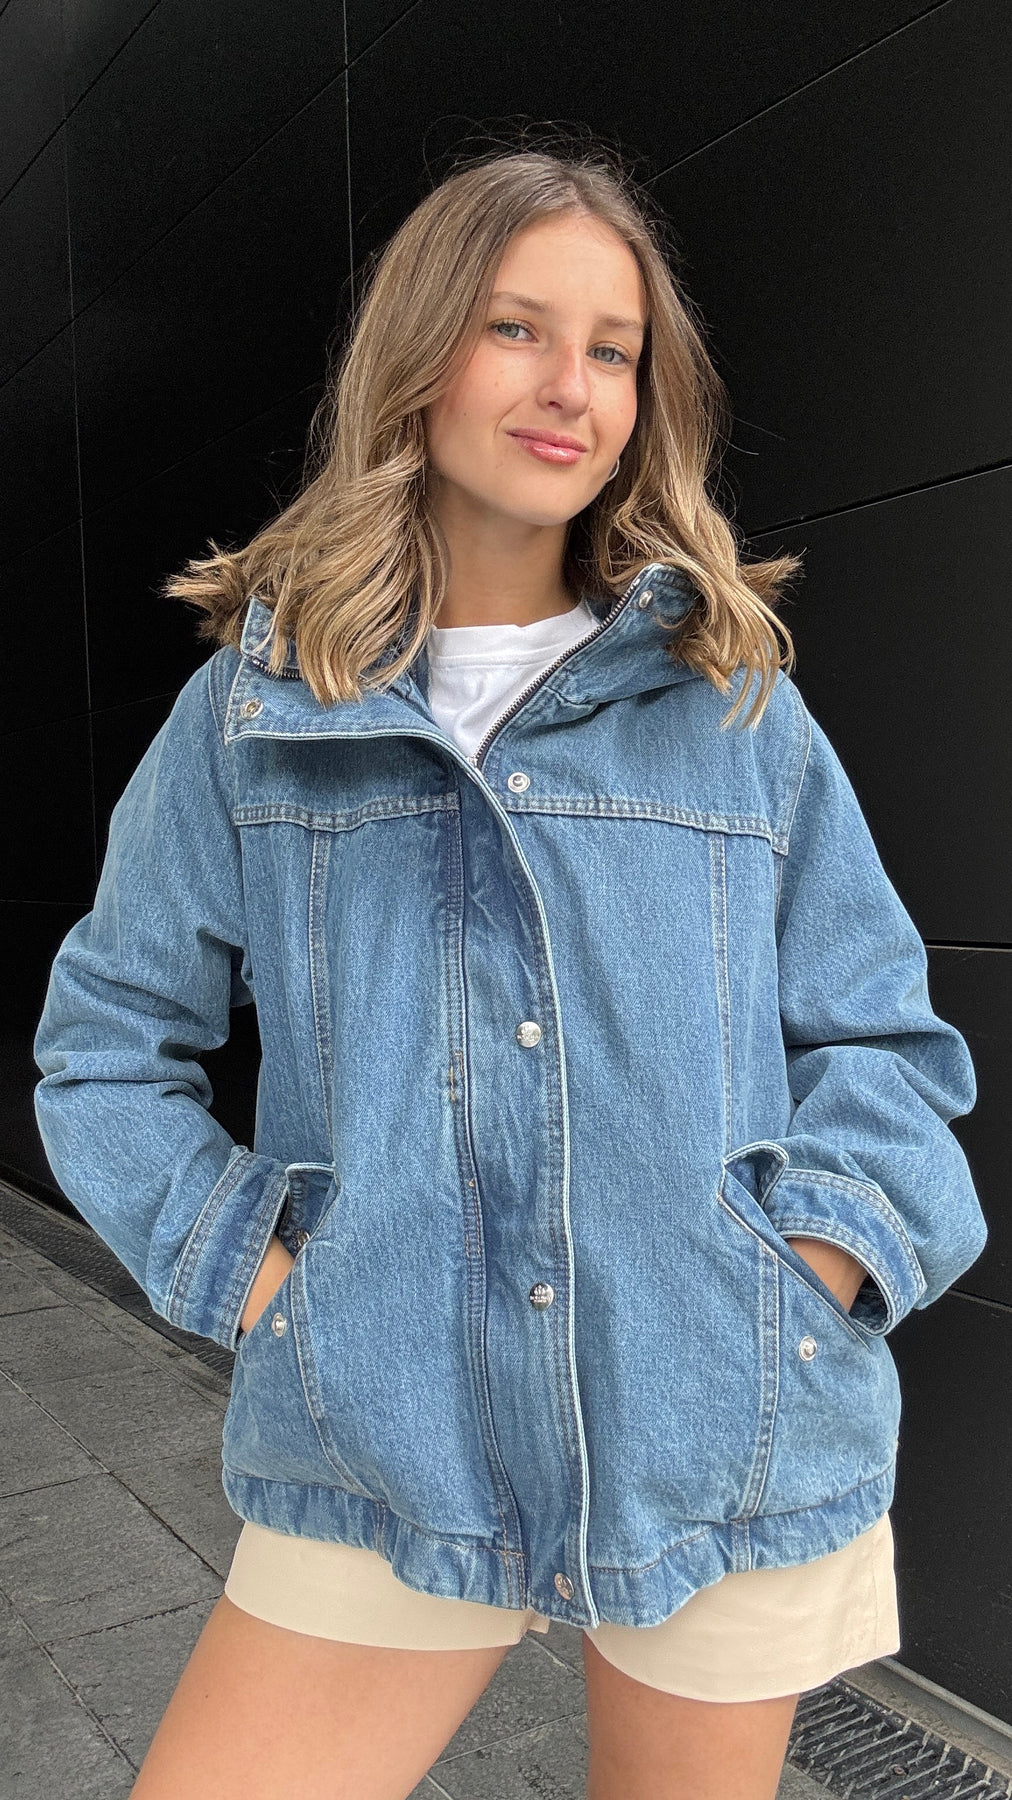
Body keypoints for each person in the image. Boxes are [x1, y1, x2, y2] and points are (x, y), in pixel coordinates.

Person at [32, 143, 987, 1800]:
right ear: (418, 354)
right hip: (384, 1430)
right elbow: (106, 1049)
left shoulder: (732, 703)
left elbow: (883, 1041)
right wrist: (278, 1297)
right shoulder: (259, 712)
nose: (571, 389)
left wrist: (805, 1277)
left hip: (717, 1426)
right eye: (516, 329)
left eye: (613, 349)